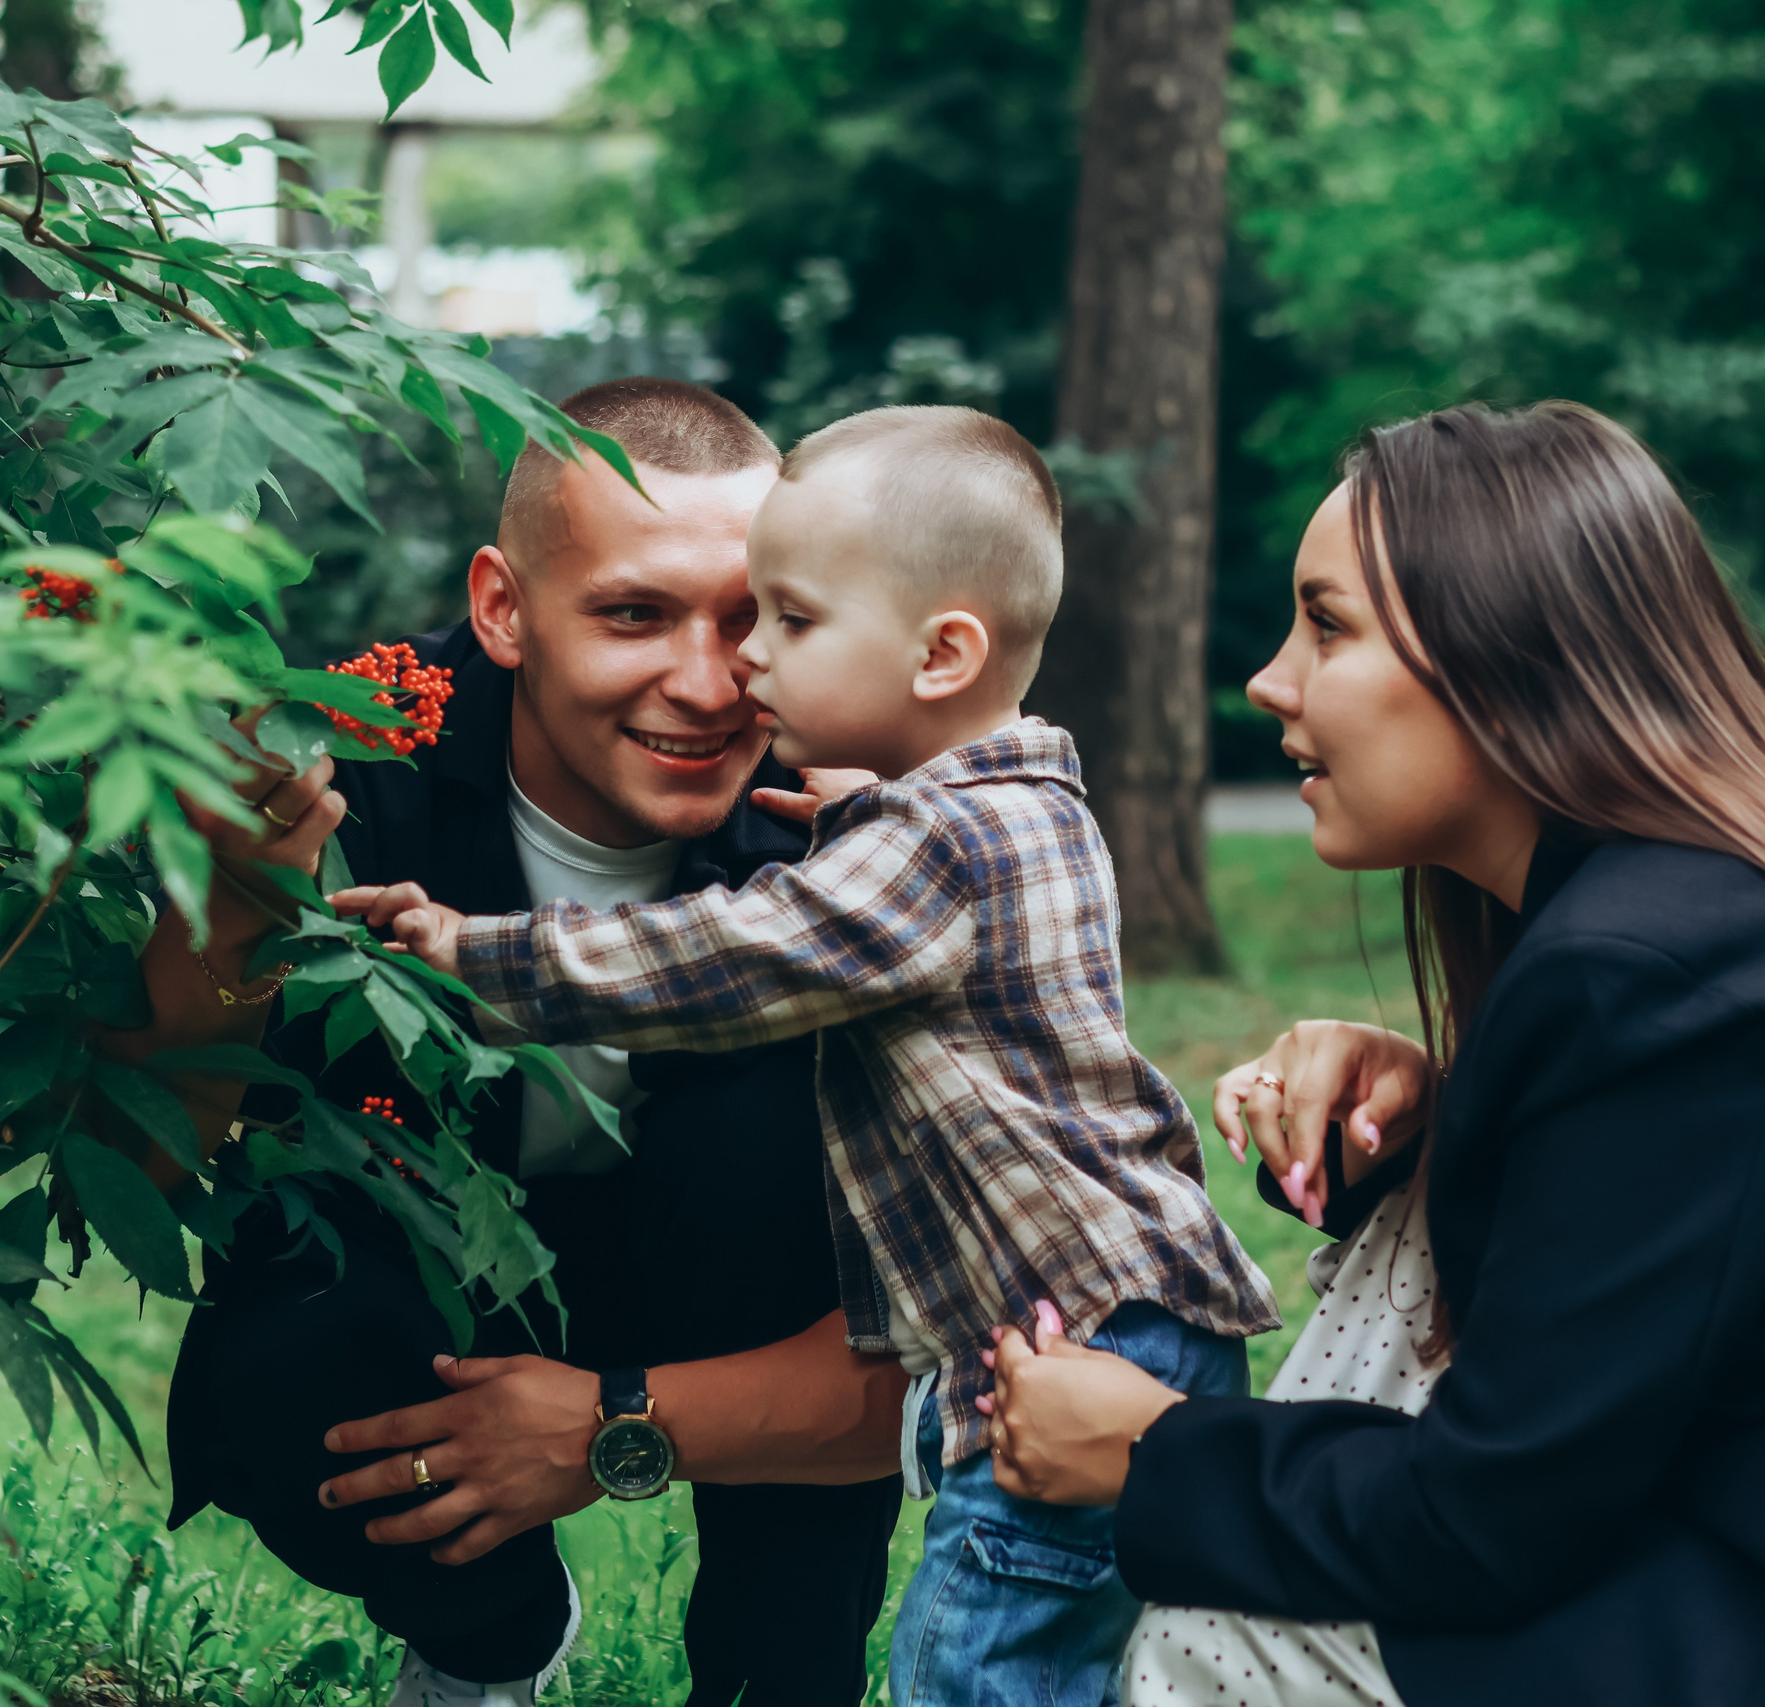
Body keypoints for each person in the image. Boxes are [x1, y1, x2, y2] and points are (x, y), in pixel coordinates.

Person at [983, 399, 1765, 1706]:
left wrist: (1155, 1453)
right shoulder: (1697, 901)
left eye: (1330, 624)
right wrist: (1439, 1119)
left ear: (1508, 652)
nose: (1271, 680)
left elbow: (1494, 1518)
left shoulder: (1649, 966)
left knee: (1229, 1648)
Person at [330, 404, 1282, 1707]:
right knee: (1045, 1654)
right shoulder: (1011, 801)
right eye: (655, 617)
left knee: (973, 1668)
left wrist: (471, 954)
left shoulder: (927, 851)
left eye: (786, 622)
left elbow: (722, 962)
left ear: (941, 652)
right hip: (1114, 1318)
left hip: (1067, 1340)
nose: (739, 671)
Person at [108, 379, 907, 1707]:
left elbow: (938, 1350)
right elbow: (138, 1166)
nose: (708, 685)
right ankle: (493, 1641)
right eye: (635, 614)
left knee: (780, 1161)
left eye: (753, 619)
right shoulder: (335, 749)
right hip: (422, 1264)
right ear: (502, 607)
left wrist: (610, 1429)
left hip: (735, 1276)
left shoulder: (861, 818)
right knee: (287, 1362)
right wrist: (233, 904)